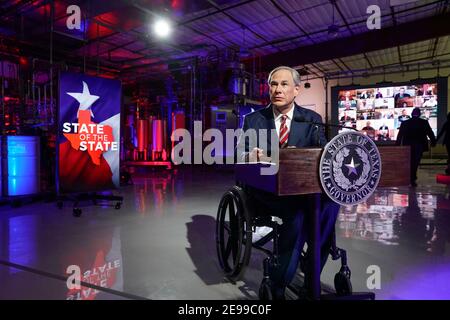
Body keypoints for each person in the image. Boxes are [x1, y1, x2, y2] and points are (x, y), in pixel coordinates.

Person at [237, 66, 340, 300]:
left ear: (296, 90)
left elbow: (322, 154)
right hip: (266, 192)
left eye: (284, 85)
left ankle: (312, 274)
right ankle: (279, 281)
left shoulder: (311, 119)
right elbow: (239, 156)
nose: (278, 89)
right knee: (299, 214)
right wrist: (250, 156)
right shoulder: (253, 120)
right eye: (273, 84)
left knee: (330, 206)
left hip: (304, 189)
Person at [396, 107, 436, 187]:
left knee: (410, 162)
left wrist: (397, 146)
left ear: (411, 114)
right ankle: (413, 177)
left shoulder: (405, 123)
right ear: (419, 114)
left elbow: (400, 135)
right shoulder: (424, 122)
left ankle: (411, 177)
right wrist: (433, 142)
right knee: (416, 162)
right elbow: (430, 133)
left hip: (407, 146)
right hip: (419, 146)